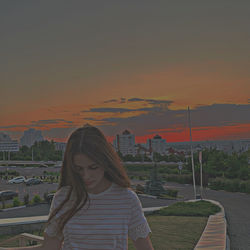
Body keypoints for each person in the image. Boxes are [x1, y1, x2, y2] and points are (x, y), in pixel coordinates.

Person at [1, 124, 154, 250]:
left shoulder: (127, 199)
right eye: (78, 168)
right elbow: (50, 246)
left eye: (93, 167)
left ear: (106, 162)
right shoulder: (63, 197)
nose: (86, 176)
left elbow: (144, 246)